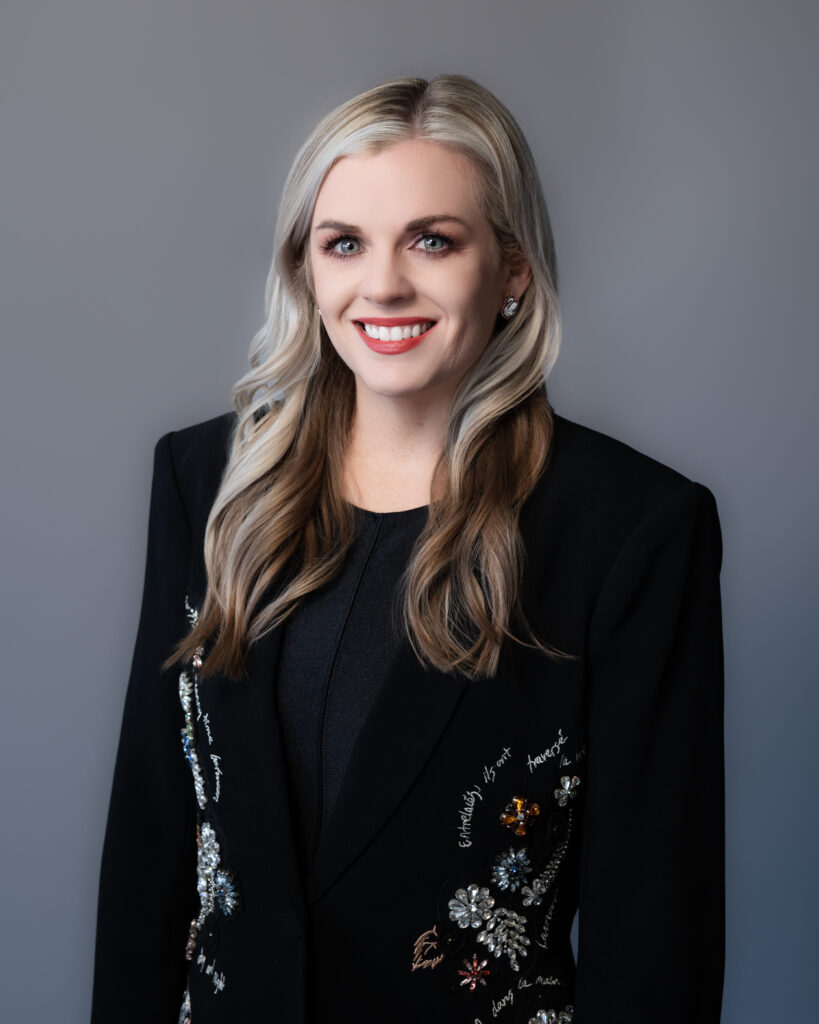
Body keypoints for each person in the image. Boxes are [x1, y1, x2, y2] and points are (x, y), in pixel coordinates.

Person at [90, 74, 725, 1024]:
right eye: (343, 243)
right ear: (305, 267)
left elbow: (654, 936)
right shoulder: (205, 481)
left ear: (511, 270)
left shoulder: (631, 528)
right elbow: (152, 842)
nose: (382, 284)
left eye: (433, 240)